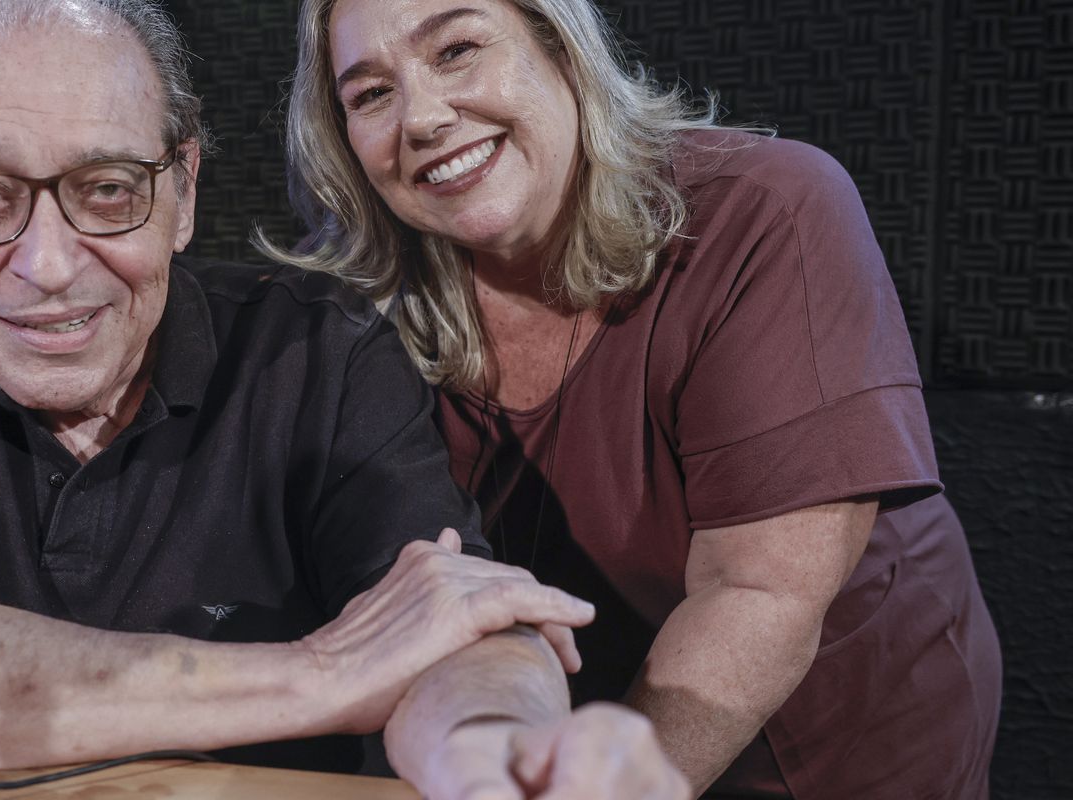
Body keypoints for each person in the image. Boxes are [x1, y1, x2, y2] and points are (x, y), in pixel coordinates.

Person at [0, 1, 690, 797]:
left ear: (184, 191)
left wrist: (495, 751)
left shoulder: (322, 352)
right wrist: (319, 674)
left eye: (109, 189)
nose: (49, 265)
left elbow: (455, 626)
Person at [265, 0, 1003, 797]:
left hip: (837, 743)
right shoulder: (348, 300)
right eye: (371, 94)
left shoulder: (767, 208)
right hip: (574, 737)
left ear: (561, 50)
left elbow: (759, 593)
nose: (422, 118)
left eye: (457, 50)